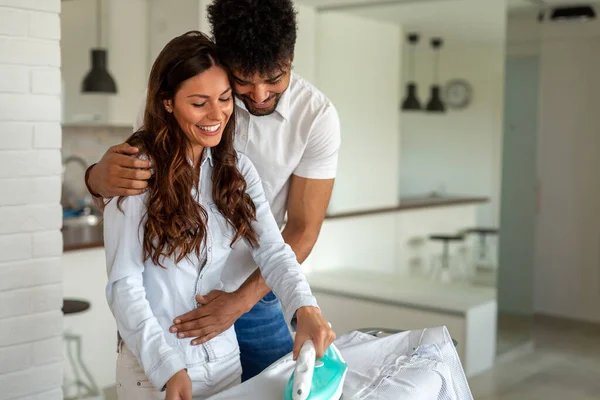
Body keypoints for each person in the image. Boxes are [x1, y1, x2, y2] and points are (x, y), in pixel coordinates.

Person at [86, 0, 341, 381]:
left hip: (255, 292)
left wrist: (293, 306)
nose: (257, 95)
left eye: (274, 77)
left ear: (291, 58)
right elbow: (131, 249)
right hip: (169, 310)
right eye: (242, 81)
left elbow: (293, 235)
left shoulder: (309, 120)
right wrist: (96, 180)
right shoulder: (169, 113)